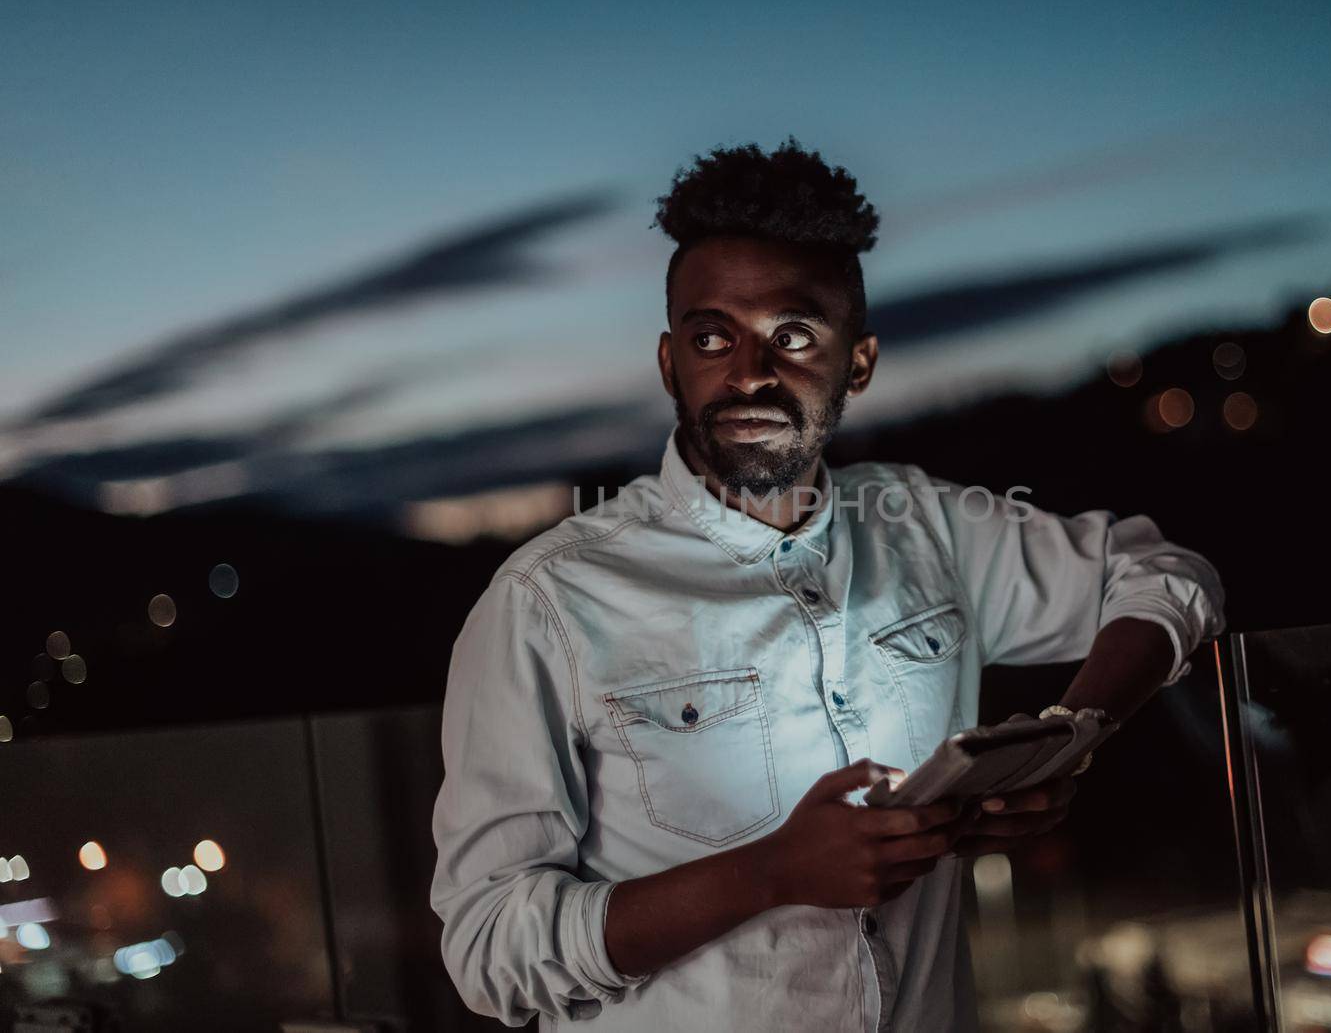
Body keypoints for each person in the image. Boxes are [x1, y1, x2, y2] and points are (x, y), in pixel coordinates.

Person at [430, 138, 1225, 1030]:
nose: (749, 372)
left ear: (860, 362)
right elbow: (487, 947)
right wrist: (768, 873)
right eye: (710, 337)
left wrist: (1067, 737)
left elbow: (1166, 576)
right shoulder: (548, 599)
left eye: (795, 334)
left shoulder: (926, 526)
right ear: (668, 363)